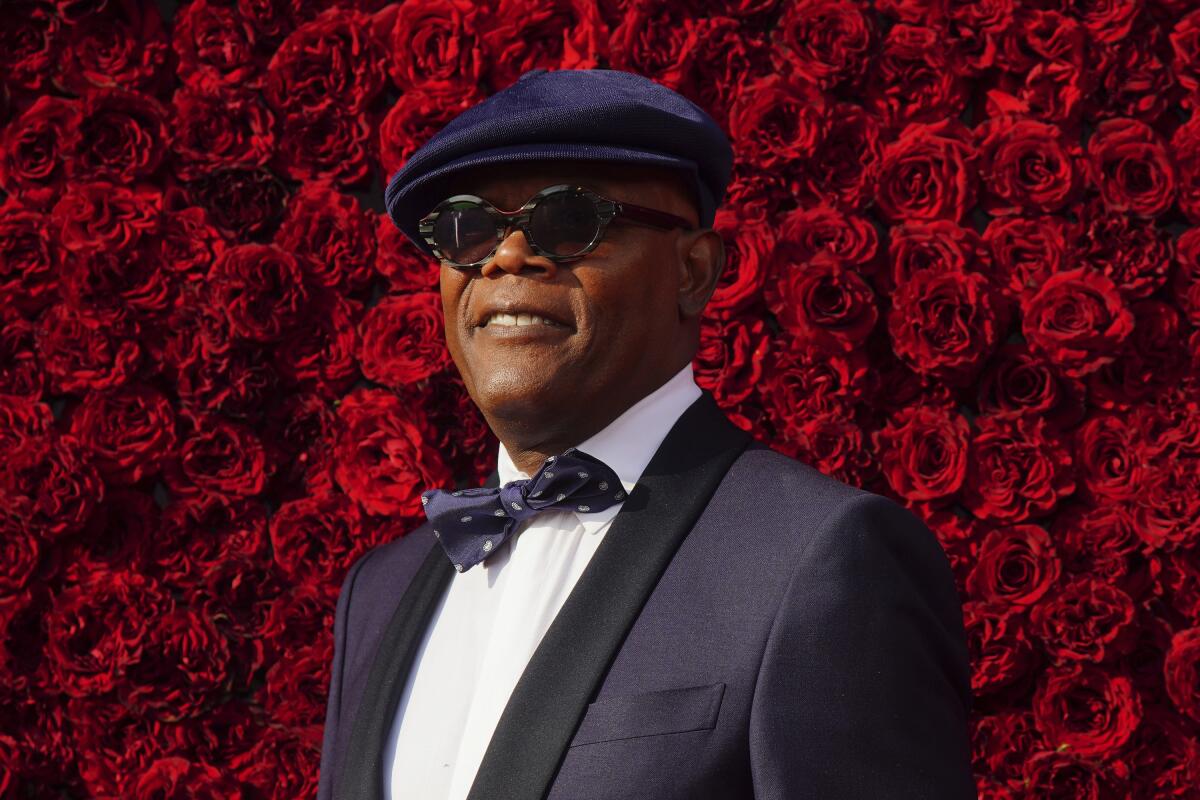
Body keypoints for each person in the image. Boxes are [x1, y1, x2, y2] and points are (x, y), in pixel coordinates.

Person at [317, 68, 976, 800]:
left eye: (567, 221)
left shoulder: (821, 560)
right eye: (466, 229)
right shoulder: (379, 590)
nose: (505, 257)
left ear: (693, 271)